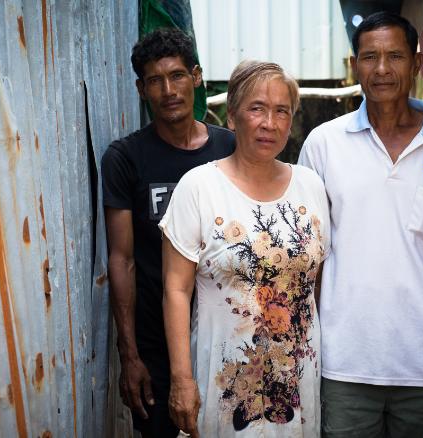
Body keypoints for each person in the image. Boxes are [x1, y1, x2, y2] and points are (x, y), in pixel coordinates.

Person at [297, 11, 423, 437]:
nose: (381, 69)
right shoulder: (323, 145)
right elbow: (308, 257)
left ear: (416, 64)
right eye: (369, 56)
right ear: (354, 64)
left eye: (394, 56)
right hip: (345, 365)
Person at [159, 61, 330, 437]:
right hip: (225, 385)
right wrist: (181, 380)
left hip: (297, 385)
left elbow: (313, 284)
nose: (269, 122)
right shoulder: (199, 187)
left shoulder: (311, 186)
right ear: (233, 117)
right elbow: (175, 289)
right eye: (257, 108)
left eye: (281, 111)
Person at [101, 28, 235, 438]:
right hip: (156, 343)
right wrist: (130, 354)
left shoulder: (230, 149)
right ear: (142, 89)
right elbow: (121, 260)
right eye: (155, 81)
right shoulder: (126, 158)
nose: (168, 90)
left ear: (196, 76)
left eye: (177, 76)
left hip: (226, 335)